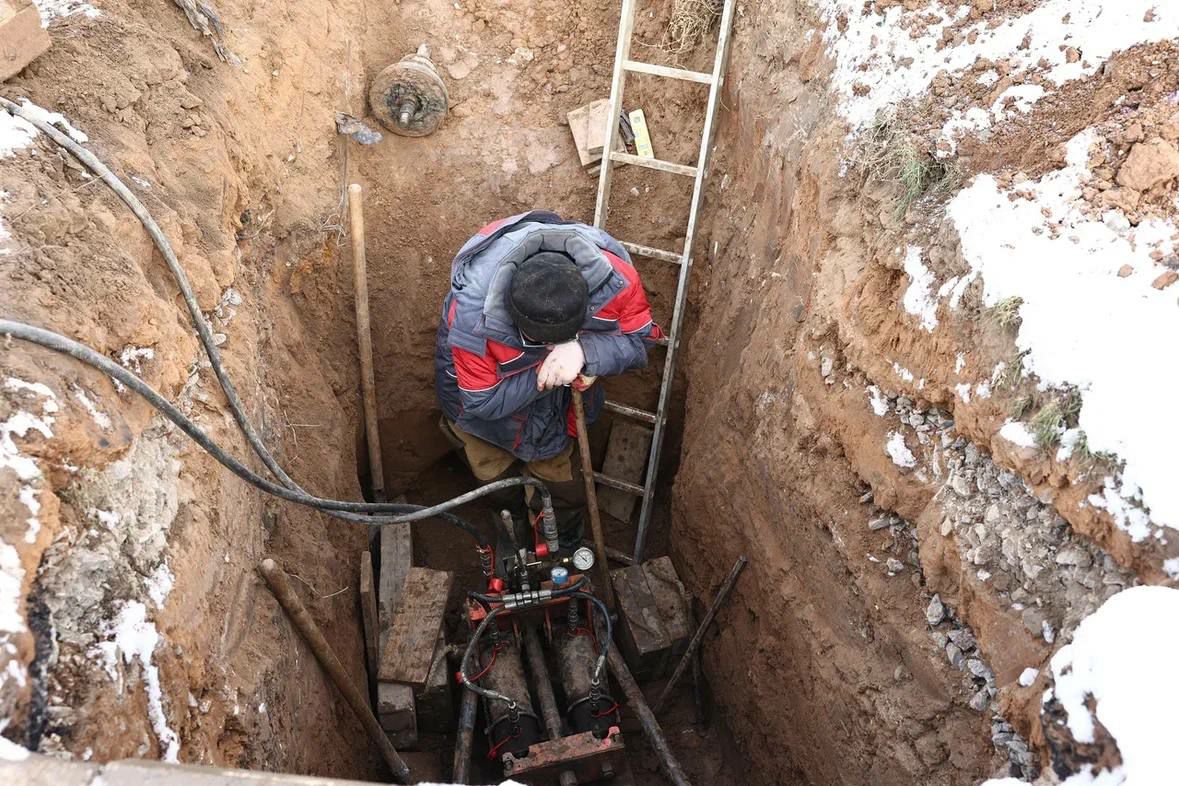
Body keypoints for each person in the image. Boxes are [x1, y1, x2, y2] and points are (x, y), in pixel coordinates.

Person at [435, 211, 663, 550]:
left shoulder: (613, 280)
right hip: (482, 423)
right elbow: (481, 400)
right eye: (541, 340)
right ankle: (514, 544)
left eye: (561, 338)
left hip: (555, 417)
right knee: (498, 486)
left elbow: (640, 339)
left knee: (562, 496)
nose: (550, 347)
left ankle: (561, 553)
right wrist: (552, 370)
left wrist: (585, 352)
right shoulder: (474, 316)